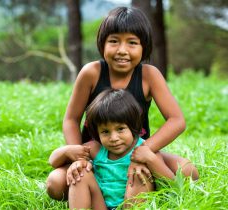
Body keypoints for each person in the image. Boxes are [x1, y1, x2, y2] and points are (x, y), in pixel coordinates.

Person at [46, 6, 199, 200]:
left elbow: (176, 120)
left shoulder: (149, 76)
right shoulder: (91, 73)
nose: (122, 50)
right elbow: (71, 119)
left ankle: (143, 185)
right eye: (114, 41)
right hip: (97, 154)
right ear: (102, 44)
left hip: (135, 151)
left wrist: (143, 152)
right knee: (55, 183)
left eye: (132, 43)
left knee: (188, 171)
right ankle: (94, 188)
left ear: (145, 47)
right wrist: (80, 158)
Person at [49, 89, 175, 209]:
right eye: (105, 132)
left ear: (133, 126)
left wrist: (151, 159)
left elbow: (172, 185)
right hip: (100, 205)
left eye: (120, 129)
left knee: (140, 172)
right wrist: (67, 151)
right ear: (97, 133)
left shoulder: (145, 150)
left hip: (132, 204)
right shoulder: (96, 149)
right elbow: (53, 162)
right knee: (80, 172)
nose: (114, 138)